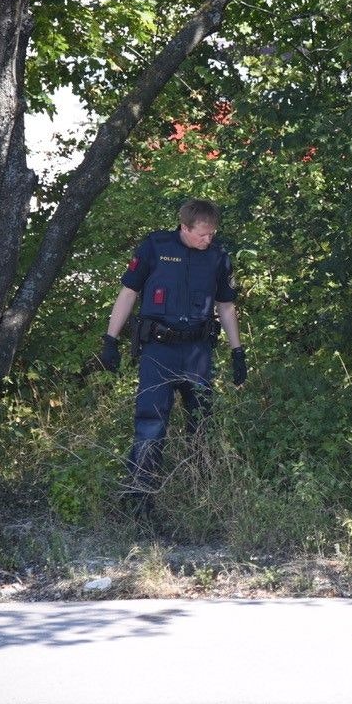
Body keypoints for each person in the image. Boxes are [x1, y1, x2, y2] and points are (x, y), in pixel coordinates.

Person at [94, 198, 246, 517]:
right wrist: (110, 340)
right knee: (151, 422)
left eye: (212, 234)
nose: (208, 239)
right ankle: (140, 498)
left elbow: (227, 307)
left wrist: (237, 351)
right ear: (184, 227)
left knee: (201, 421)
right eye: (202, 234)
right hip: (159, 351)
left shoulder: (218, 257)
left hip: (197, 353)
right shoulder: (155, 247)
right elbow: (128, 293)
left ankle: (198, 495)